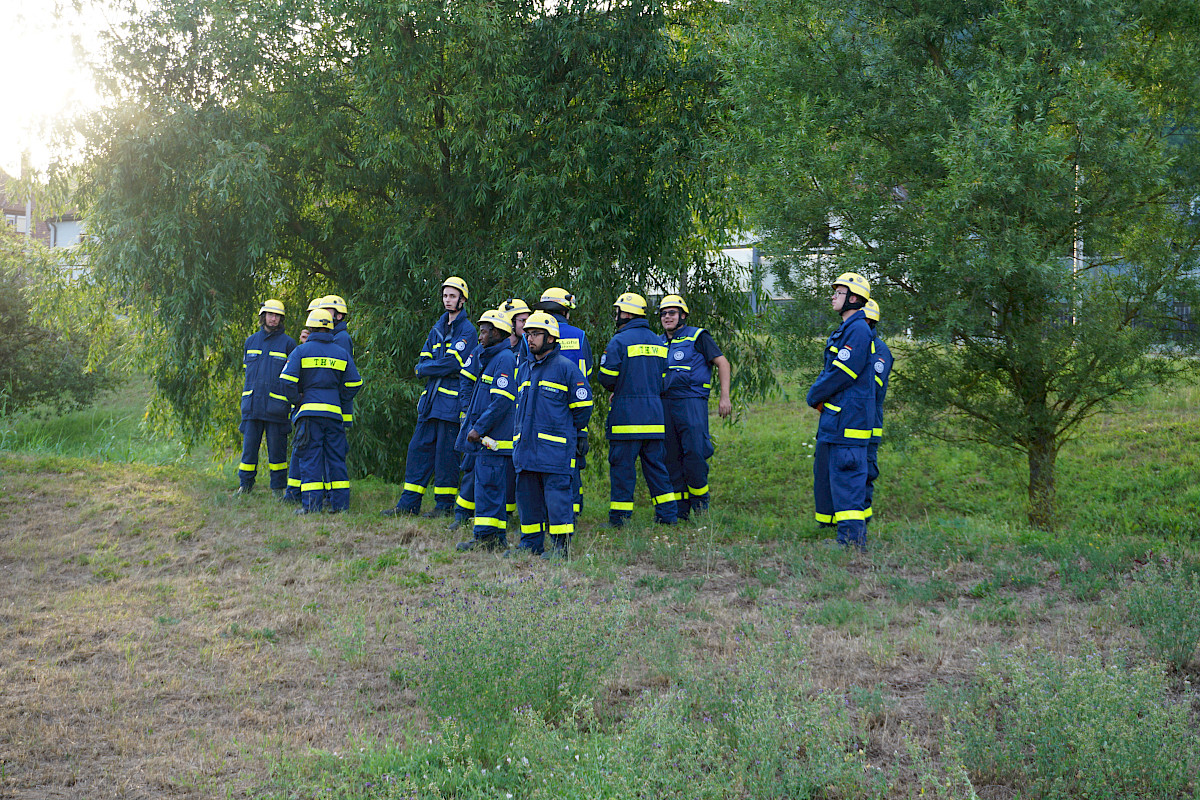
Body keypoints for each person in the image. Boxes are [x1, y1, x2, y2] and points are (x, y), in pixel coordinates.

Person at [383, 277, 477, 517]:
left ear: (462, 300)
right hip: (431, 403)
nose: (448, 300)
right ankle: (408, 504)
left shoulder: (468, 330)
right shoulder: (438, 327)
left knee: (447, 456)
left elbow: (453, 364)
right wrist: (430, 366)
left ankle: (443, 506)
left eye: (452, 296)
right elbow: (424, 359)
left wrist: (427, 368)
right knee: (418, 450)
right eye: (445, 296)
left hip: (451, 404)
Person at [511, 311, 593, 558]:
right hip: (526, 449)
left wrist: (567, 434)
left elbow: (582, 408)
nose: (530, 338)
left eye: (536, 334)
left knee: (558, 500)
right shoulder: (524, 369)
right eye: (527, 333)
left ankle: (561, 548)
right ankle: (531, 543)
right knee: (528, 500)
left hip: (555, 451)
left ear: (551, 338)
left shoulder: (566, 369)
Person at [806, 272, 876, 552]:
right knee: (840, 480)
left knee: (848, 482)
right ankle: (847, 539)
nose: (833, 296)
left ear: (854, 298)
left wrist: (814, 394)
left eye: (839, 292)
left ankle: (852, 543)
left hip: (849, 422)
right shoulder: (847, 329)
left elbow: (841, 372)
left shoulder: (858, 330)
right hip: (839, 421)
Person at [597, 292, 678, 526]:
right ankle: (668, 516)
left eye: (618, 311)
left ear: (626, 313)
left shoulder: (619, 341)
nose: (616, 316)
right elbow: (664, 379)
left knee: (623, 472)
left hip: (626, 420)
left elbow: (607, 378)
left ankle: (619, 520)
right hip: (654, 417)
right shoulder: (658, 341)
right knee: (657, 469)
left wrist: (621, 386)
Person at [279, 308, 362, 514]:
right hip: (334, 415)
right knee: (335, 459)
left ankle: (311, 507)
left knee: (310, 459)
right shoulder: (340, 352)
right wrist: (338, 396)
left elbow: (286, 381)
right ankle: (341, 506)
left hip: (309, 416)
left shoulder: (301, 351)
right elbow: (355, 383)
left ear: (310, 327)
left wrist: (297, 399)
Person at [657, 294, 733, 520]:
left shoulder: (698, 336)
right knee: (670, 455)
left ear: (682, 315)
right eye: (663, 313)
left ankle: (700, 506)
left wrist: (724, 397)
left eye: (671, 313)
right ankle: (680, 510)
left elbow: (723, 363)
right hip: (665, 403)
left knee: (695, 453)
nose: (667, 317)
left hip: (691, 402)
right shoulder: (657, 341)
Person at [455, 308, 518, 551]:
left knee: (490, 489)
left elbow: (501, 401)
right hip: (487, 439)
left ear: (497, 333)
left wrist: (478, 429)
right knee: (486, 489)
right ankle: (487, 537)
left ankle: (488, 540)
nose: (479, 337)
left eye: (483, 332)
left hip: (493, 439)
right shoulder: (491, 357)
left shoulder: (503, 359)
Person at [532, 288, 593, 517]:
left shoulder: (532, 334)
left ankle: (541, 513)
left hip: (538, 410)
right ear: (566, 311)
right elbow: (586, 376)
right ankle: (571, 513)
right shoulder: (579, 336)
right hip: (570, 412)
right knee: (569, 463)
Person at [236, 299, 297, 497]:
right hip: (252, 406)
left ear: (281, 319)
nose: (273, 319)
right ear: (263, 316)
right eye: (270, 315)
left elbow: (293, 377)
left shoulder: (289, 344)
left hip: (276, 407)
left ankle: (278, 489)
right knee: (249, 450)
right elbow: (247, 374)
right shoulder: (251, 341)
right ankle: (245, 486)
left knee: (277, 452)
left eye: (277, 316)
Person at [282, 298, 323, 504]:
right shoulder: (306, 346)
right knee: (301, 449)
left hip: (312, 408)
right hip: (305, 407)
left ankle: (304, 496)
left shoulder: (335, 341)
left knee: (307, 451)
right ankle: (294, 491)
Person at [863, 298, 893, 527]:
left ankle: (862, 522)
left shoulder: (879, 350)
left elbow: (872, 385)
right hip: (849, 421)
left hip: (868, 423)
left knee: (865, 472)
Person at [321, 294, 355, 425]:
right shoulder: (334, 336)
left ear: (338, 316)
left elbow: (337, 373)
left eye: (326, 311)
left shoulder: (341, 338)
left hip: (337, 406)